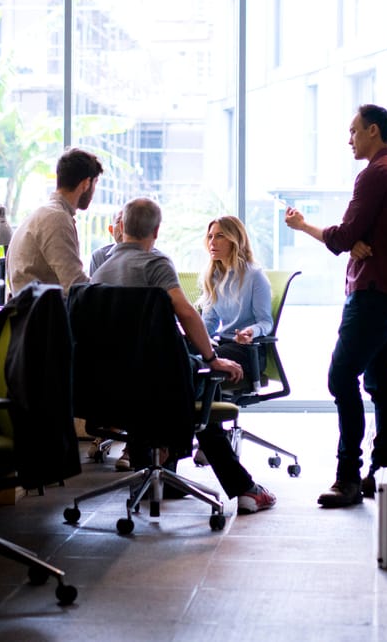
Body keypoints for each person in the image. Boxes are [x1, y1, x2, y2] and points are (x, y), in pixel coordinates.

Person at [92, 197, 277, 514]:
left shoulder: (100, 270)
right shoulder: (155, 264)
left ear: (120, 228)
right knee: (198, 411)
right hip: (156, 378)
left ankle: (165, 475)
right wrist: (210, 358)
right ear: (157, 230)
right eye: (211, 236)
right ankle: (244, 489)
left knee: (182, 400)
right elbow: (189, 314)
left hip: (116, 382)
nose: (213, 242)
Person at [284, 104, 387, 508]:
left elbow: (344, 235)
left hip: (374, 289)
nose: (349, 139)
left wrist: (308, 227)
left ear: (373, 131)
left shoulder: (376, 174)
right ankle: (383, 469)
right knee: (379, 380)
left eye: (354, 131)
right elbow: (357, 236)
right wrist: (355, 240)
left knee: (342, 377)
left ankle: (348, 477)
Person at [6, 147, 103, 294]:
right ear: (86, 184)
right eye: (95, 183)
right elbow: (75, 285)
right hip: (43, 314)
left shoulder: (43, 214)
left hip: (33, 311)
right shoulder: (57, 219)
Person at [198, 215, 274, 388]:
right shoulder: (213, 276)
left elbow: (266, 322)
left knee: (200, 361)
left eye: (220, 236)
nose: (212, 242)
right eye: (210, 236)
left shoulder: (255, 276)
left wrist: (250, 332)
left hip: (248, 351)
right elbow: (210, 322)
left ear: (235, 240)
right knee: (184, 356)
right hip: (223, 344)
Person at [89, 209, 123, 275]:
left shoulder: (147, 256)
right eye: (119, 222)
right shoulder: (99, 257)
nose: (123, 227)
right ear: (111, 230)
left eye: (128, 222)